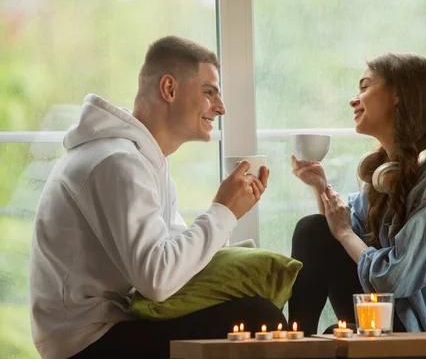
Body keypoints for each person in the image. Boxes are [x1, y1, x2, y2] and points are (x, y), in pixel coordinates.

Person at [29, 36, 287, 359]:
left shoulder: (146, 163)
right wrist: (223, 211)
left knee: (255, 311)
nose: (220, 107)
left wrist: (230, 211)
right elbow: (159, 279)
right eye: (209, 92)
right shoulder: (117, 163)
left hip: (109, 328)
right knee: (259, 318)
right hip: (85, 342)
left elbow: (176, 257)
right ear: (169, 89)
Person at [289, 53, 426, 359]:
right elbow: (342, 227)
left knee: (337, 336)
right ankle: (296, 346)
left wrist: (343, 234)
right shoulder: (385, 177)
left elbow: (395, 279)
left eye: (365, 86)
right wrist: (319, 185)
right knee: (313, 230)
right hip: (401, 327)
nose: (354, 99)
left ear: (398, 96)